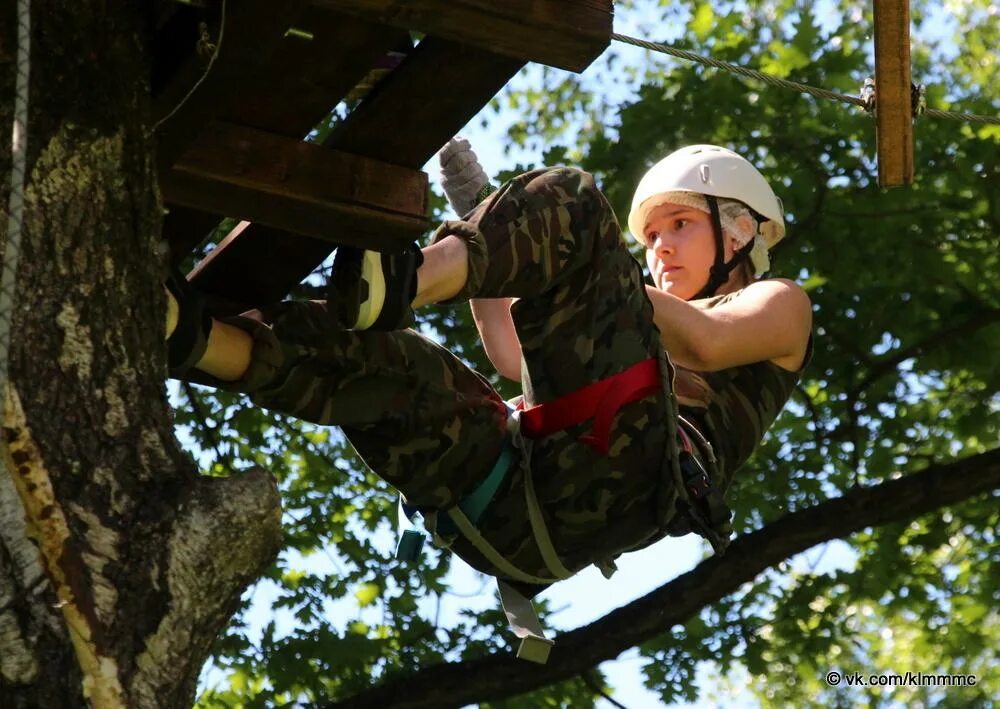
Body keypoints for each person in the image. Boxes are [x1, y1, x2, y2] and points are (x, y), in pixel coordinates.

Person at [165, 142, 812, 662]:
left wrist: (581, 261)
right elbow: (511, 353)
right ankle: (188, 336)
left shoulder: (780, 303)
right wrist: (485, 219)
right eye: (650, 236)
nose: (660, 245)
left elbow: (705, 340)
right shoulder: (629, 331)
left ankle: (403, 279)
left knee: (578, 202)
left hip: (624, 475)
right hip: (517, 508)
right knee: (398, 365)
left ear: (741, 232)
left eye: (681, 223)